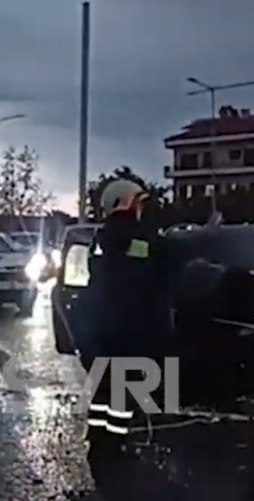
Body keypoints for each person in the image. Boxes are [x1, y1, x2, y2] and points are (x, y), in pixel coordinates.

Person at [81, 179, 170, 469]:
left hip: (101, 327)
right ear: (126, 202)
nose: (141, 207)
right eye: (138, 201)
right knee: (121, 393)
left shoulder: (101, 237)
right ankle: (114, 446)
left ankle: (98, 440)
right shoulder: (136, 237)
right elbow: (155, 267)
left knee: (103, 389)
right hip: (128, 328)